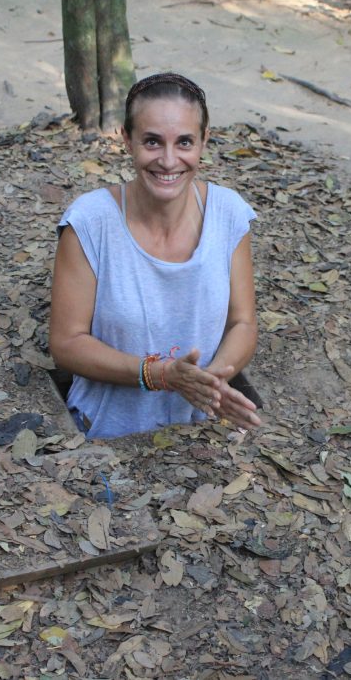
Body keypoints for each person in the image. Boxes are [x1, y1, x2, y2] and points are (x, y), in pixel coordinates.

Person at [48, 72, 262, 440]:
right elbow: (66, 343)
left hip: (198, 435)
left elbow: (243, 323)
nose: (168, 160)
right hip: (103, 434)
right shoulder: (90, 221)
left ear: (204, 141)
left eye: (184, 142)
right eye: (152, 142)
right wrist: (159, 375)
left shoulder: (229, 213)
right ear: (127, 140)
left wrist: (208, 382)